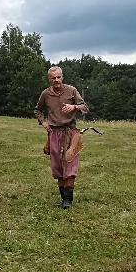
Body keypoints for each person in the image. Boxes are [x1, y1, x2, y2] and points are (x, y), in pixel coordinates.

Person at [34, 66, 89, 209]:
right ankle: (63, 198)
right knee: (57, 167)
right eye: (53, 78)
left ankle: (68, 201)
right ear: (49, 79)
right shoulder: (45, 94)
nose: (56, 80)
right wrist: (43, 121)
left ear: (62, 77)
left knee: (70, 165)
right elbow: (37, 110)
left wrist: (74, 107)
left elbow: (85, 107)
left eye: (59, 77)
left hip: (71, 133)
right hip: (54, 133)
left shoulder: (71, 90)